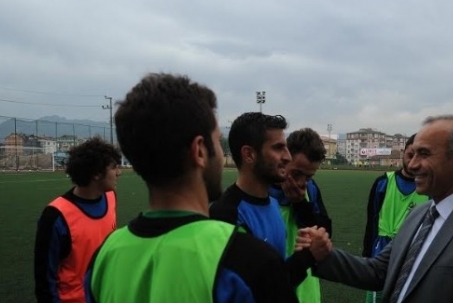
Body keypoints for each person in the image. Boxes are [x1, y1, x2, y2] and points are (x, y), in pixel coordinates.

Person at [84, 73, 299, 303]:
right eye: (217, 141)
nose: (220, 152)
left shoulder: (103, 258)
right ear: (199, 151)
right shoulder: (245, 260)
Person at [299, 114, 453, 303]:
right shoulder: (420, 214)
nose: (412, 165)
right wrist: (325, 256)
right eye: (411, 154)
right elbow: (378, 272)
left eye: (423, 154)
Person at [209, 112, 321, 287]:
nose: (288, 157)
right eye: (278, 148)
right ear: (249, 155)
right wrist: (307, 255)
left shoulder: (273, 205)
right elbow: (259, 289)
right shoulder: (226, 214)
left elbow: (276, 278)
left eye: (286, 148)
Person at [33, 137, 121, 303]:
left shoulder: (111, 197)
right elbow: (44, 280)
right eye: (114, 167)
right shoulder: (55, 215)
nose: (119, 172)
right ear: (96, 173)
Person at [362, 134, 429, 303]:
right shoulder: (383, 182)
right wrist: (367, 256)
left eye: (420, 155)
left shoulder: (429, 188)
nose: (413, 160)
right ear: (403, 152)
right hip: (382, 250)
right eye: (410, 154)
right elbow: (371, 223)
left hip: (412, 252)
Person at [268, 128, 333, 303]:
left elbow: (324, 233)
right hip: (273, 288)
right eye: (296, 173)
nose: (301, 182)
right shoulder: (262, 191)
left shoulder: (310, 189)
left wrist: (300, 204)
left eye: (309, 176)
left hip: (306, 290)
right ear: (285, 158)